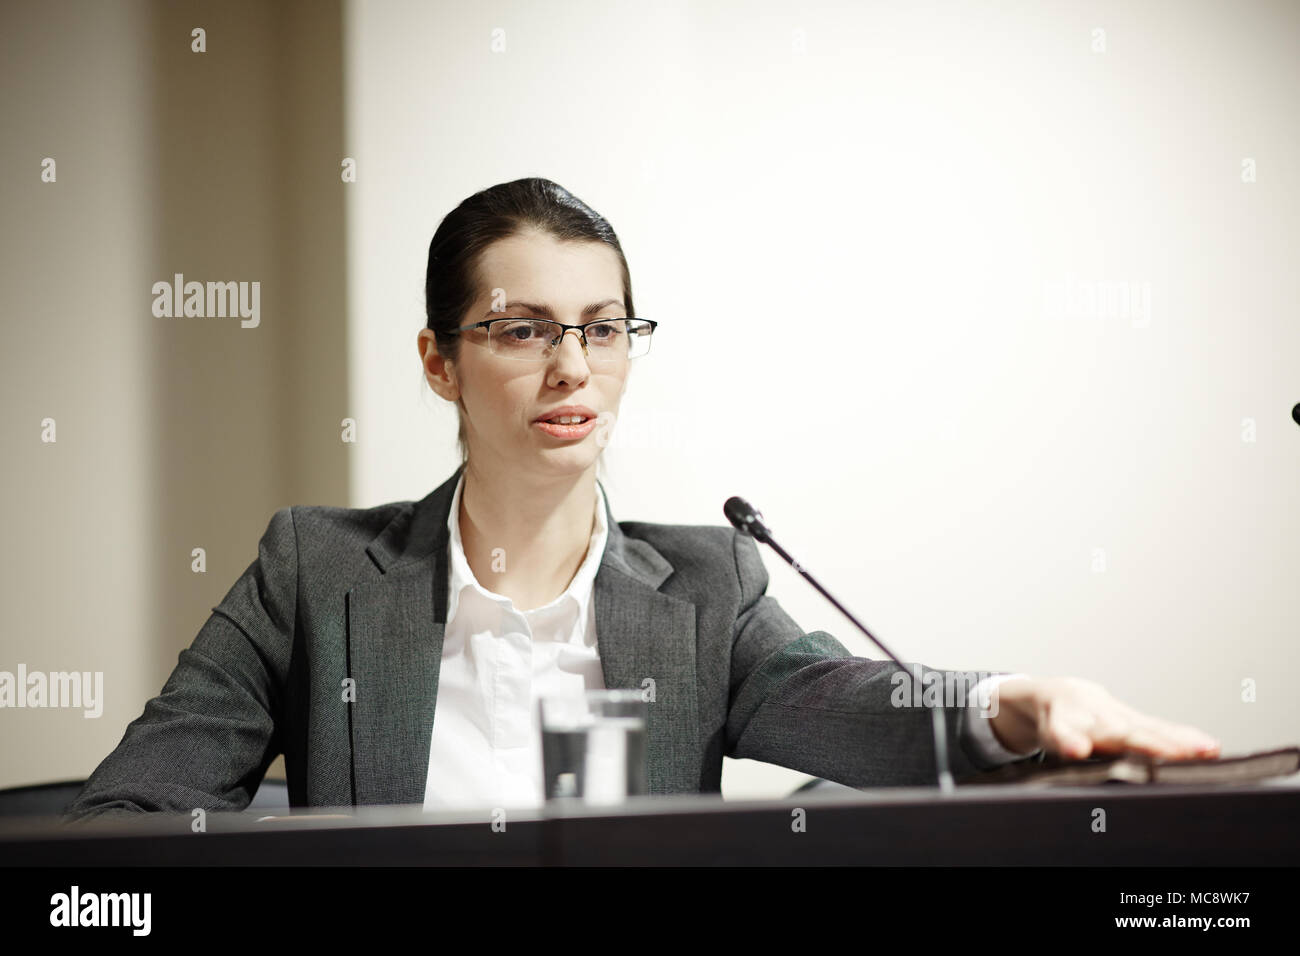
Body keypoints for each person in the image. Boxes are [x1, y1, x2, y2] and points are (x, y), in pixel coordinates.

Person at [66, 177, 1220, 819]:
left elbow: (860, 703)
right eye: (523, 329)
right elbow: (123, 824)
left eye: (603, 328)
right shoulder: (314, 569)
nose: (573, 365)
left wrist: (1020, 699)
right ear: (438, 360)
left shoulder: (706, 587)